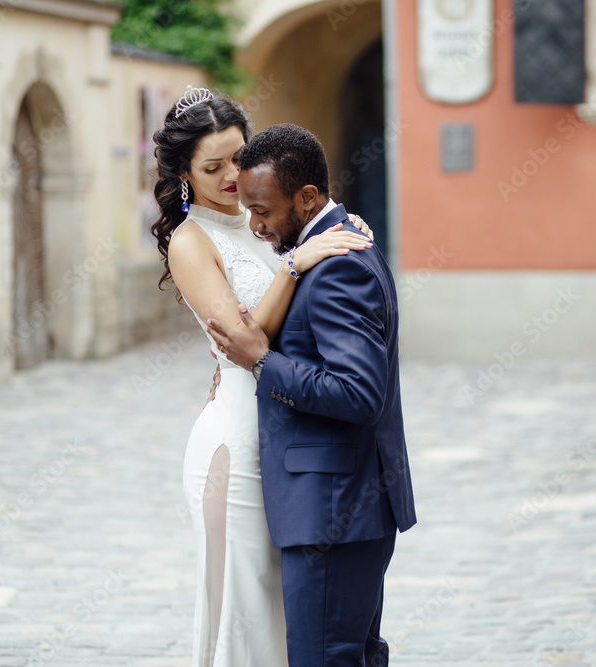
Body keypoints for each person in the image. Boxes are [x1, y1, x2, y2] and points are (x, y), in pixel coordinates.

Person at [151, 87, 374, 666]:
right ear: (182, 173)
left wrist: (337, 237)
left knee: (290, 610)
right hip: (239, 442)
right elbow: (245, 338)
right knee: (245, 613)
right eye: (212, 166)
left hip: (295, 436)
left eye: (238, 157)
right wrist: (299, 262)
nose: (231, 176)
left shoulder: (268, 216)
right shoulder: (190, 241)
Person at [207, 123, 417, 667]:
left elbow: (358, 393)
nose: (255, 226)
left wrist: (261, 361)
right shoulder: (332, 246)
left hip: (334, 511)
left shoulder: (337, 269)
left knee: (326, 658)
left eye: (264, 211)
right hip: (341, 504)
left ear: (306, 198)